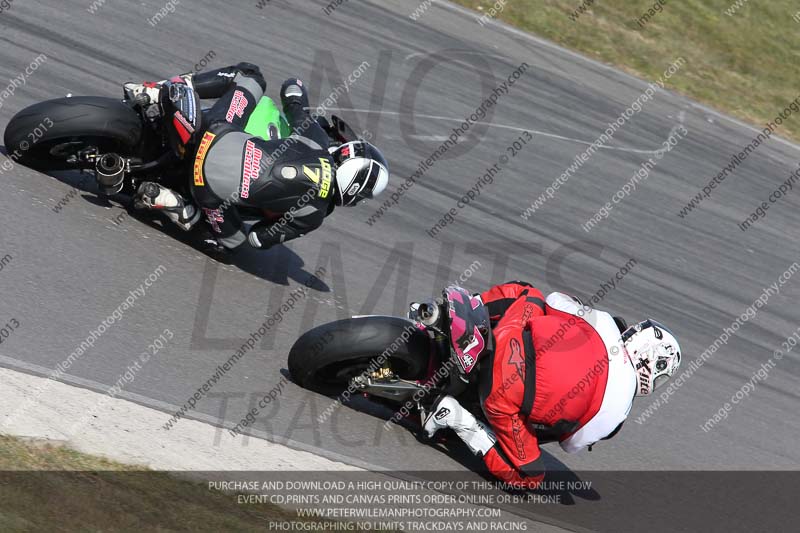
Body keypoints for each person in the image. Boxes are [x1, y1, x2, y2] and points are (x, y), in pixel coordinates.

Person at [421, 281, 682, 489]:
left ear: (638, 337)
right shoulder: (617, 414)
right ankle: (456, 417)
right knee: (531, 477)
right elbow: (570, 444)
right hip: (502, 398)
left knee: (528, 292)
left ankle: (461, 317)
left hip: (508, 339)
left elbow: (555, 300)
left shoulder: (604, 323)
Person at [113, 63, 388, 251]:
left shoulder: (315, 140)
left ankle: (157, 91)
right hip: (207, 191)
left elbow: (294, 102)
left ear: (344, 156)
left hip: (215, 133)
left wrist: (296, 85)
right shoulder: (312, 216)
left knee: (250, 75)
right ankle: (175, 205)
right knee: (236, 244)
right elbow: (258, 239)